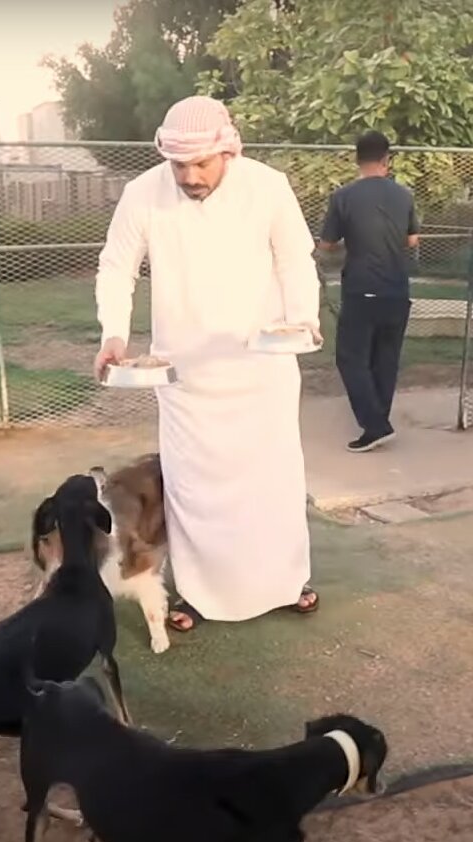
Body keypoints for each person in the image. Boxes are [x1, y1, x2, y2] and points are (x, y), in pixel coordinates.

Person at [92, 95, 322, 632]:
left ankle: (286, 583)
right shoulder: (142, 194)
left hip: (261, 372)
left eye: (201, 163)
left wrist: (303, 318)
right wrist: (114, 334)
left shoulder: (268, 186)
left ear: (227, 150)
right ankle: (197, 594)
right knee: (195, 492)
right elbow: (116, 267)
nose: (190, 176)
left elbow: (295, 261)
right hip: (185, 380)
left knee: (273, 485)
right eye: (179, 165)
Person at [319, 130, 420, 452]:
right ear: (386, 160)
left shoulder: (344, 197)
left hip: (362, 290)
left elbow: (327, 244)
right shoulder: (404, 196)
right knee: (386, 359)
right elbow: (412, 240)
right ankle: (379, 422)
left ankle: (375, 425)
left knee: (351, 358)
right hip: (396, 289)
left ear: (357, 159)